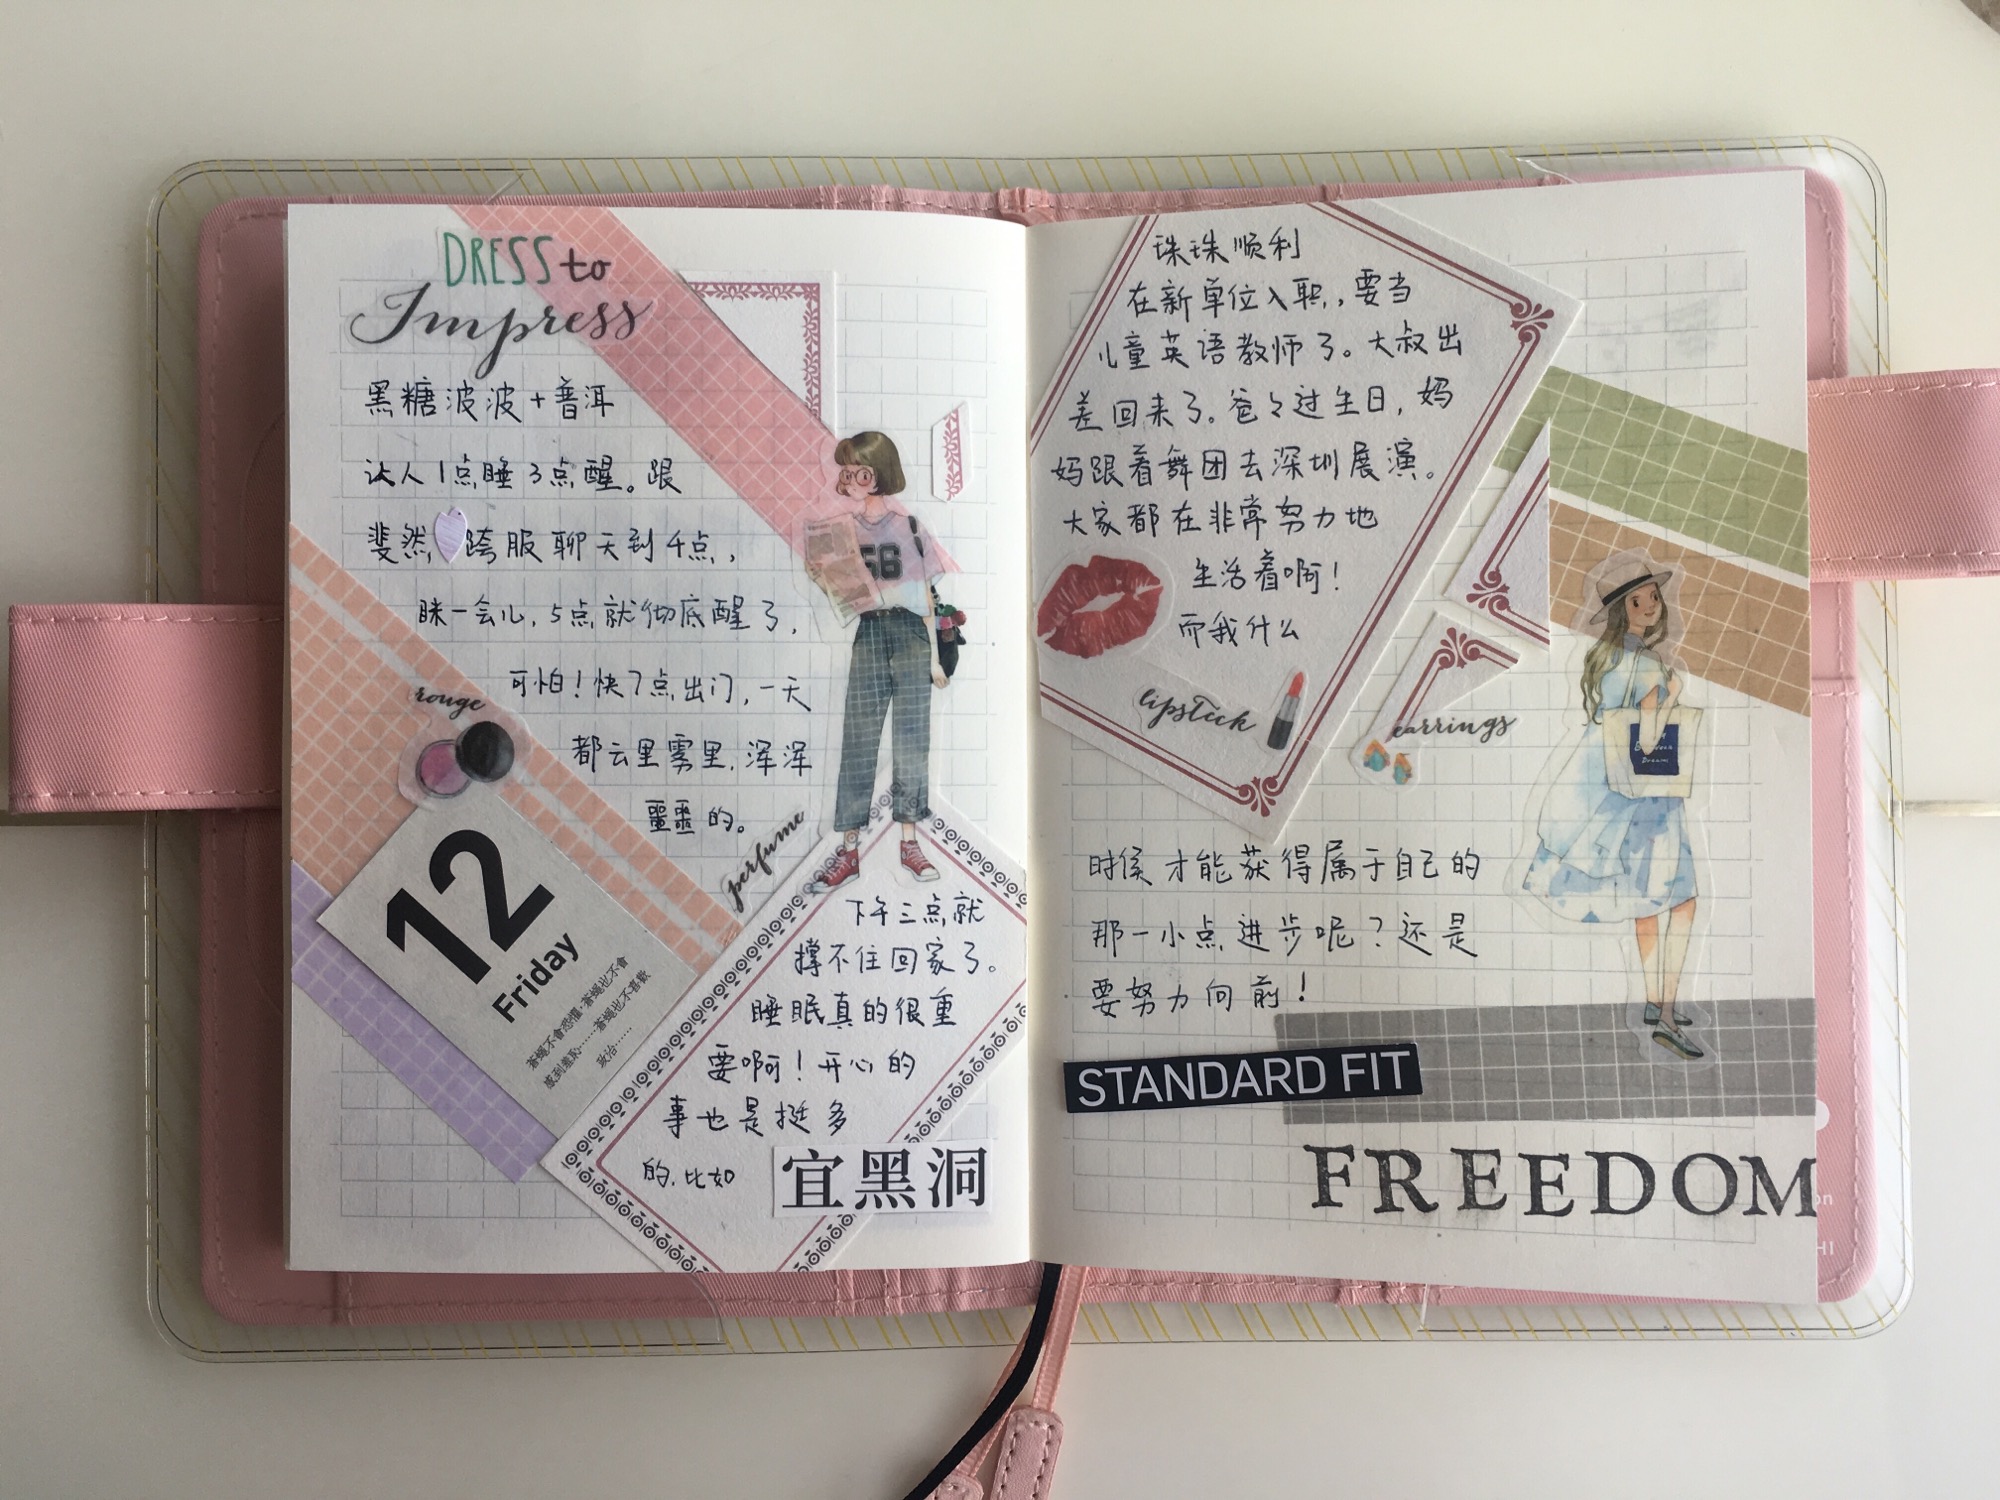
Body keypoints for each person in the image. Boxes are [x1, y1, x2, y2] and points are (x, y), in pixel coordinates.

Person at [1522, 555, 1703, 1061]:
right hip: (1649, 797)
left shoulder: (1603, 660)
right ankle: (1666, 1015)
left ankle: (1654, 1003)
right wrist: (1671, 693)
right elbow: (1646, 735)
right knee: (1681, 900)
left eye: (1654, 597)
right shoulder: (1648, 666)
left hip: (1611, 791)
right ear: (1624, 610)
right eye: (1638, 601)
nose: (1650, 606)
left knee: (1647, 902)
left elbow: (1609, 725)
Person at [803, 432, 952, 892]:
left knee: (912, 740)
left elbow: (925, 596)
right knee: (859, 738)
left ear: (878, 474)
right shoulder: (838, 531)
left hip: (911, 636)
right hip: (869, 633)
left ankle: (909, 843)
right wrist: (823, 574)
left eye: (859, 472)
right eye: (846, 472)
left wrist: (936, 659)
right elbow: (837, 590)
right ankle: (849, 851)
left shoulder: (910, 527)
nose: (849, 479)